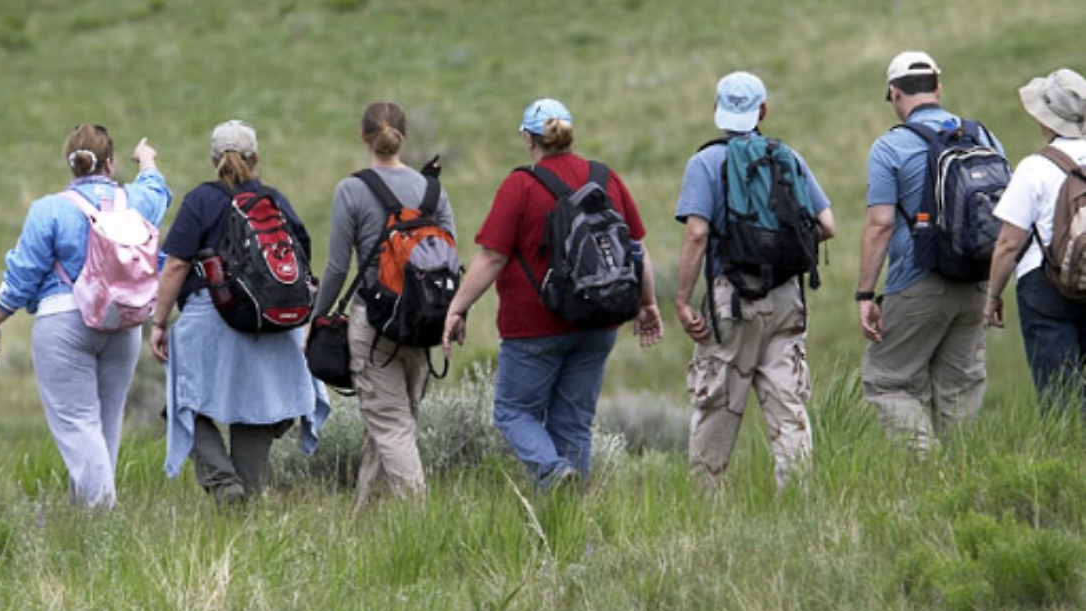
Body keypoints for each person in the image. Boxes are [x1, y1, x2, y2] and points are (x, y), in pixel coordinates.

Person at [443, 98, 663, 490]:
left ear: (530, 139)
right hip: (600, 319)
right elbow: (637, 248)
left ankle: (552, 471)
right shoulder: (606, 178)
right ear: (569, 134)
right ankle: (572, 529)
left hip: (534, 327)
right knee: (573, 422)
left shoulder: (520, 185)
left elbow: (492, 257)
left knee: (513, 412)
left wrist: (457, 307)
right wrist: (647, 304)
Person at [0, 125, 171, 508]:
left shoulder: (49, 209)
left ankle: (103, 517)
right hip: (124, 323)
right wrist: (147, 160)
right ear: (111, 163)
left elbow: (23, 273)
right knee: (105, 425)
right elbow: (157, 190)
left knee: (77, 424)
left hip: (63, 322)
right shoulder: (135, 200)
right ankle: (88, 518)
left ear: (73, 166)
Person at [149, 119, 329, 505]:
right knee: (256, 413)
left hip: (211, 320)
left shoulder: (201, 200)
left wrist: (159, 322)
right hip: (275, 326)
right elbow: (301, 263)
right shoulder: (275, 201)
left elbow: (176, 265)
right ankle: (248, 499)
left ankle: (224, 483)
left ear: (213, 159)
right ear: (256, 156)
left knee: (184, 403)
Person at [674, 72, 835, 492]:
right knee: (788, 406)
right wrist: (780, 249)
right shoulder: (787, 156)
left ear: (717, 111)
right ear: (763, 111)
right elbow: (827, 225)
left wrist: (681, 300)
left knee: (718, 406)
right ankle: (799, 500)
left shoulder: (705, 162)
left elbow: (696, 233)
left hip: (733, 301)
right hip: (786, 298)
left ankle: (707, 505)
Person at [310, 102, 455, 508]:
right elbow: (450, 260)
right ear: (403, 136)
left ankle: (419, 520)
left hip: (373, 324)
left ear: (364, 137)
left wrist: (318, 318)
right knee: (389, 423)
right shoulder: (433, 190)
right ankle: (364, 525)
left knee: (390, 427)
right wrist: (454, 318)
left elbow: (338, 267)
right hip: (424, 322)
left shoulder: (352, 190)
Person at [857, 52, 1004, 454]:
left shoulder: (890, 147)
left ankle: (928, 468)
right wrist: (997, 287)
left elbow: (880, 224)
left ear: (893, 93)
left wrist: (865, 295)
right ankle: (961, 480)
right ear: (938, 88)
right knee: (960, 389)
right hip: (977, 281)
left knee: (888, 380)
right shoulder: (985, 137)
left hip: (917, 279)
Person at [985, 69, 1086, 407]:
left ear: (1048, 122)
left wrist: (992, 295)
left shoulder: (1034, 168)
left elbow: (1009, 243)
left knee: (1060, 393)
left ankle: (1068, 455)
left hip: (1045, 286)